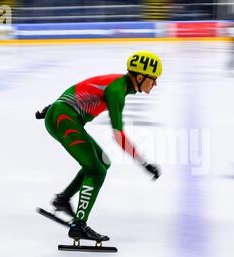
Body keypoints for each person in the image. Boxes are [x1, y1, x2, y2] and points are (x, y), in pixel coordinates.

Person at [36, 51, 162, 242]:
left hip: (62, 115)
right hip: (63, 118)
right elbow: (118, 137)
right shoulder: (117, 91)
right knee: (96, 172)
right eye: (153, 79)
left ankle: (63, 199)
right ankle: (79, 225)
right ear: (139, 76)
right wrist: (145, 164)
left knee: (103, 161)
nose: (155, 83)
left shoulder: (118, 83)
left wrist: (51, 106)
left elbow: (82, 88)